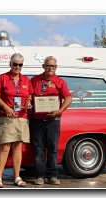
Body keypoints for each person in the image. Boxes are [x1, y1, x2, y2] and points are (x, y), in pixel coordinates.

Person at [30, 56, 72, 185]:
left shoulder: (60, 82)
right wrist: (28, 102)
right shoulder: (35, 80)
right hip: (37, 120)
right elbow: (30, 95)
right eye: (48, 65)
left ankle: (52, 175)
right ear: (43, 66)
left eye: (53, 66)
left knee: (53, 149)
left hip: (53, 120)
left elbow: (68, 98)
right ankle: (40, 176)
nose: (50, 68)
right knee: (39, 149)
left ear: (56, 68)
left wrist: (60, 111)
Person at [0, 53, 33, 188]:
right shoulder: (2, 78)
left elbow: (30, 95)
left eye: (20, 65)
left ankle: (17, 176)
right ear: (10, 64)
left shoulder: (26, 80)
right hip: (6, 117)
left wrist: (28, 102)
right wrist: (5, 107)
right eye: (15, 64)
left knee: (18, 148)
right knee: (4, 148)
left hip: (21, 117)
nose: (17, 67)